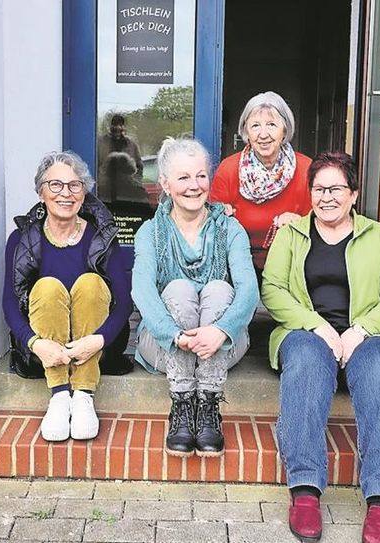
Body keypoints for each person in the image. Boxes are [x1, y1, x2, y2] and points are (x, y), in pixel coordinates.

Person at [261, 151, 380, 543]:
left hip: (367, 336)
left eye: (336, 188)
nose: (326, 196)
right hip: (306, 334)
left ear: (354, 194)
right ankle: (305, 492)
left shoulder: (379, 236)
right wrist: (316, 326)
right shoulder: (292, 234)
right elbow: (273, 290)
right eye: (318, 188)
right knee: (308, 364)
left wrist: (362, 329)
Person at [132, 137, 258, 457]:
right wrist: (175, 335)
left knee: (219, 289)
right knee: (177, 289)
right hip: (165, 344)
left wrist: (219, 330)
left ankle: (209, 404)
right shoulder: (150, 232)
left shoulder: (230, 229)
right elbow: (142, 291)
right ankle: (183, 404)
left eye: (201, 176)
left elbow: (248, 290)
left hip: (222, 345)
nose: (194, 185)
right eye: (183, 177)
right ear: (165, 183)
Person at [2, 151, 133, 442]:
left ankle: (84, 395)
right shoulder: (21, 238)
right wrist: (36, 344)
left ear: (84, 192)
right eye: (56, 185)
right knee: (47, 287)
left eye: (75, 185)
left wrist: (97, 340)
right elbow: (10, 304)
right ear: (41, 191)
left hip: (96, 347)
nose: (66, 193)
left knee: (90, 283)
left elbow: (124, 304)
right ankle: (60, 395)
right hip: (45, 351)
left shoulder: (101, 235)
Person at [211, 91, 313, 270]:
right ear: (246, 132)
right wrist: (221, 214)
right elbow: (211, 223)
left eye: (272, 125)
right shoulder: (229, 169)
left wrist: (300, 221)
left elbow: (320, 222)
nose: (263, 134)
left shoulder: (307, 168)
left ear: (285, 130)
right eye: (255, 126)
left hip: (292, 264)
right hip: (238, 264)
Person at [97, 113, 149, 205]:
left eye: (121, 125)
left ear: (124, 127)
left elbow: (139, 166)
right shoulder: (100, 143)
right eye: (115, 124)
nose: (118, 127)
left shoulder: (131, 144)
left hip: (127, 194)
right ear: (109, 126)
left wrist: (134, 181)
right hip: (104, 193)